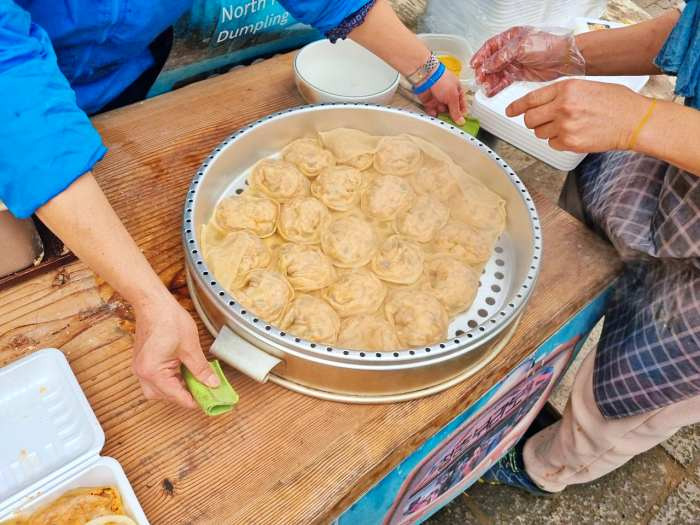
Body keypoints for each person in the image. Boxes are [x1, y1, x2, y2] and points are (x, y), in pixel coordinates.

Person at [0, 0, 465, 409]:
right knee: (22, 269)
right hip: (16, 105)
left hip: (119, 80)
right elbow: (14, 89)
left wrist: (426, 69)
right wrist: (150, 300)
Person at [470, 5, 700, 494]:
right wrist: (567, 55)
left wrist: (641, 123)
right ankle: (539, 373)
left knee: (628, 388)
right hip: (676, 161)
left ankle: (548, 466)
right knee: (578, 253)